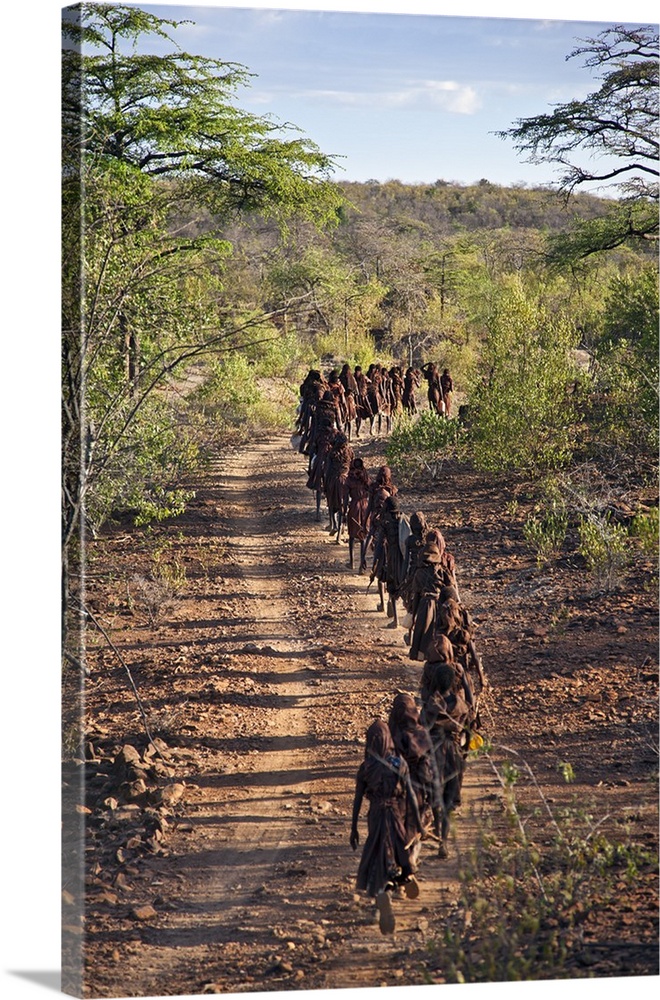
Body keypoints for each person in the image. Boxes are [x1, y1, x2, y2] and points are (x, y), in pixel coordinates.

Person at [350, 719, 423, 934]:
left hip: (375, 815)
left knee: (377, 854)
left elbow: (357, 800)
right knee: (400, 849)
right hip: (395, 813)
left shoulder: (365, 768)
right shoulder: (399, 763)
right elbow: (410, 794)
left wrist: (353, 828)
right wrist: (418, 823)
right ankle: (405, 877)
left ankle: (383, 890)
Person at [419, 659, 471, 858]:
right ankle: (444, 842)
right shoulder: (461, 706)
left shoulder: (431, 705)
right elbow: (467, 730)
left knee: (435, 795)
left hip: (434, 752)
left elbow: (422, 726)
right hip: (454, 753)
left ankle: (435, 831)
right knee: (449, 800)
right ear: (452, 683)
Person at [387, 693, 439, 866]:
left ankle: (396, 864)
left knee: (396, 828)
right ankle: (412, 859)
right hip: (417, 789)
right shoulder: (421, 734)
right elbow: (430, 766)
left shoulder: (389, 737)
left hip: (395, 789)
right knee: (416, 826)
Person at [345, 457, 371, 570]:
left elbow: (346, 497)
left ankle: (351, 562)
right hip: (365, 507)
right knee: (363, 536)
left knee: (351, 535)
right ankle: (362, 565)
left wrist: (344, 511)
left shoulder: (349, 479)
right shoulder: (366, 478)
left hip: (354, 506)